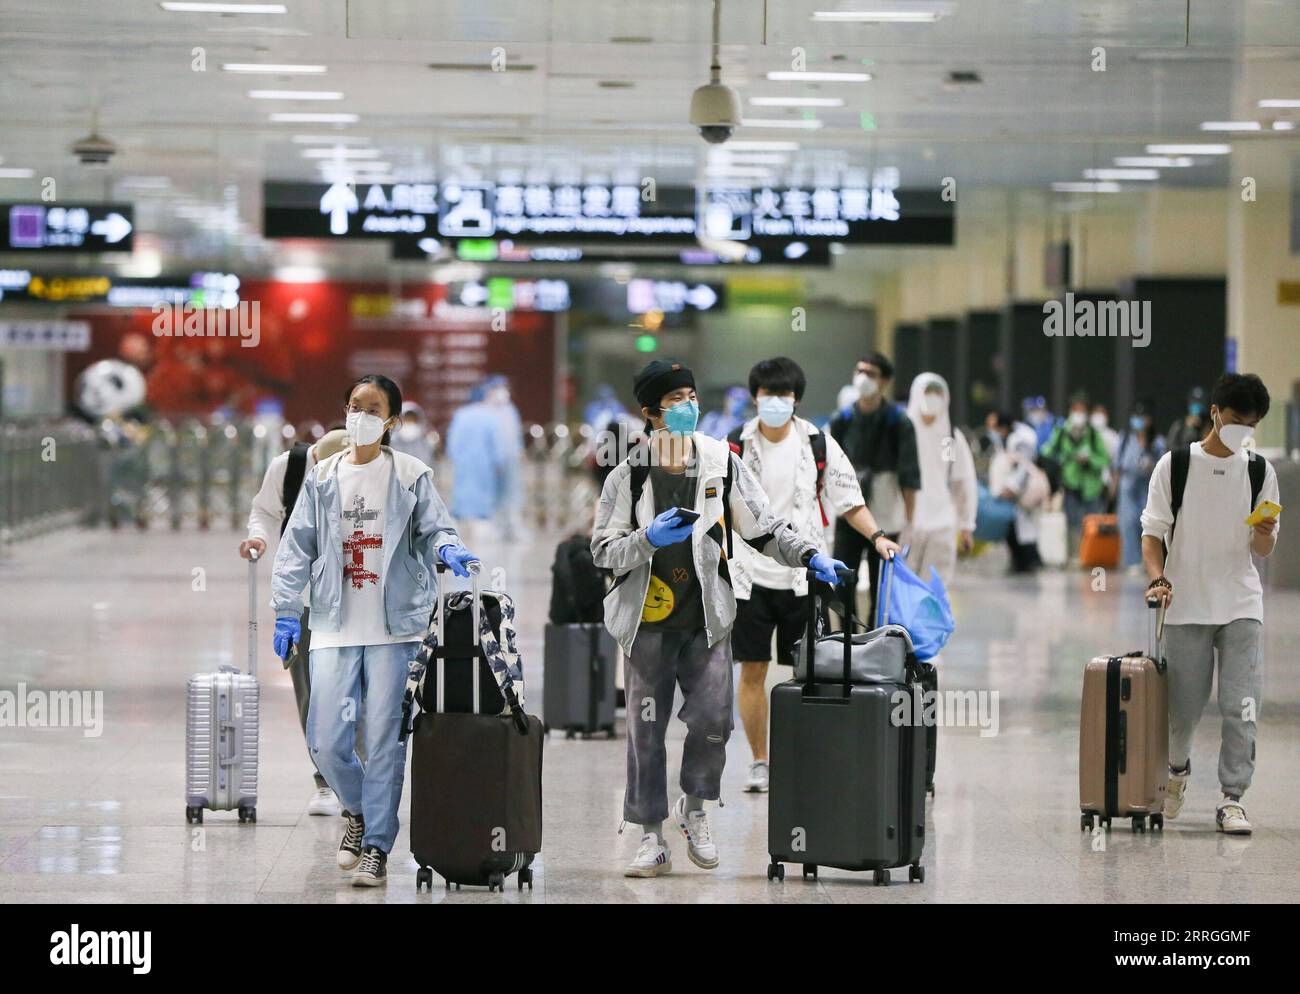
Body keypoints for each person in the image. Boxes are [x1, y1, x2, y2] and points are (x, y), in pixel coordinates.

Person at [592, 357, 847, 878]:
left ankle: (696, 811)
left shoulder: (720, 463)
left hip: (707, 618)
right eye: (675, 401)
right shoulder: (629, 473)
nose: (688, 407)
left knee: (712, 722)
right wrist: (647, 540)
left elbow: (763, 526)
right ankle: (650, 836)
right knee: (646, 731)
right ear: (650, 412)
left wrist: (808, 554)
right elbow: (601, 550)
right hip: (645, 624)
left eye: (691, 397)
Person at [271, 374, 479, 886]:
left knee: (385, 739)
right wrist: (283, 609)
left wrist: (448, 548)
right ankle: (360, 812)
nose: (358, 414)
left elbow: (435, 528)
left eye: (371, 408)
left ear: (391, 421)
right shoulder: (321, 478)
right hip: (334, 624)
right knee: (325, 738)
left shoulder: (409, 474)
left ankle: (377, 847)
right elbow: (297, 544)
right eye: (353, 405)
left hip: (395, 629)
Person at [729, 358, 900, 794]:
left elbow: (849, 500)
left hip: (806, 576)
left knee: (805, 673)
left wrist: (878, 536)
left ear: (796, 400)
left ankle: (798, 756)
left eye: (784, 395)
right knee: (752, 669)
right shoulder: (733, 446)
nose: (775, 402)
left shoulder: (818, 445)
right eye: (768, 394)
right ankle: (760, 760)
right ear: (755, 397)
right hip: (749, 576)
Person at [1141, 373, 1279, 836]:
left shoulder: (1259, 470)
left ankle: (1232, 798)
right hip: (1186, 604)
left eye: (1253, 423)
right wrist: (1158, 578)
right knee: (1182, 708)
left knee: (1242, 704)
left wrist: (1263, 535)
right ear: (1216, 413)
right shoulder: (1175, 465)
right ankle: (1176, 771)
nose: (1244, 431)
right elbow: (1151, 533)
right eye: (1237, 421)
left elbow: (1262, 551)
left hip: (1241, 602)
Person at [241, 426, 349, 816]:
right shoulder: (288, 467)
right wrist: (259, 538)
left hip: (356, 601)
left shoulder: (370, 472)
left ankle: (358, 778)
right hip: (301, 600)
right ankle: (324, 780)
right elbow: (265, 511)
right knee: (310, 690)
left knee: (357, 689)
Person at [829, 353, 920, 623]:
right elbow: (830, 468)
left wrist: (909, 521)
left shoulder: (898, 422)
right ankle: (847, 641)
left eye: (871, 373)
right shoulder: (842, 419)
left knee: (883, 584)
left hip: (885, 511)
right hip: (848, 510)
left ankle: (877, 638)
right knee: (843, 579)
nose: (863, 378)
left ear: (884, 381)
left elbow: (909, 476)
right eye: (860, 371)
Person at [904, 373, 977, 582]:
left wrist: (966, 525)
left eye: (938, 392)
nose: (933, 397)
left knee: (935, 587)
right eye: (928, 392)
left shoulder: (949, 438)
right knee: (903, 587)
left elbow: (961, 481)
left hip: (942, 522)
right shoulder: (904, 432)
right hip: (907, 521)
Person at [1040, 393, 1110, 557]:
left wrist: (1089, 459)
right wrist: (1066, 458)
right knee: (1072, 523)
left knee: (1092, 523)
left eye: (1082, 410)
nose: (1078, 413)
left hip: (1091, 487)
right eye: (1075, 410)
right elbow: (1048, 451)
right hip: (1071, 484)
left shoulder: (1093, 433)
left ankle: (1092, 556)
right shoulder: (1062, 431)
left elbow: (1104, 459)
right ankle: (1074, 556)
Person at [988, 411, 1049, 574]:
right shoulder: (1007, 439)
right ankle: (1020, 562)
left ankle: (1031, 563)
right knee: (1019, 529)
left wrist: (1011, 487)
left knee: (1027, 529)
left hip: (1025, 491)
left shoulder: (1022, 438)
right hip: (1014, 493)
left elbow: (1024, 466)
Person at [445, 383, 503, 534]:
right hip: (484, 463)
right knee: (483, 491)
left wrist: (453, 456)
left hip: (463, 462)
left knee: (462, 489)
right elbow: (496, 442)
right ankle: (481, 521)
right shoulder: (489, 416)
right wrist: (498, 462)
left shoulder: (461, 414)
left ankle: (459, 518)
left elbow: (453, 440)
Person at [1113, 403, 1165, 571]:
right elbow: (1117, 465)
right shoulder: (1125, 438)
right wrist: (1113, 487)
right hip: (1128, 485)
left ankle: (1149, 561)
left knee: (1148, 524)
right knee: (1128, 522)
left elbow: (1164, 464)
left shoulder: (1157, 441)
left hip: (1148, 485)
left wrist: (1151, 465)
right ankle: (1132, 562)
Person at [388, 401, 436, 467]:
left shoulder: (426, 441)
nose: (410, 423)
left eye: (412, 420)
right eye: (407, 420)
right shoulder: (391, 441)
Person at [1166, 386, 1210, 451]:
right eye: (1194, 402)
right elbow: (1170, 448)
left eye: (1200, 403)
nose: (1197, 406)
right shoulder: (1179, 425)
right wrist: (1190, 429)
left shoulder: (1208, 426)